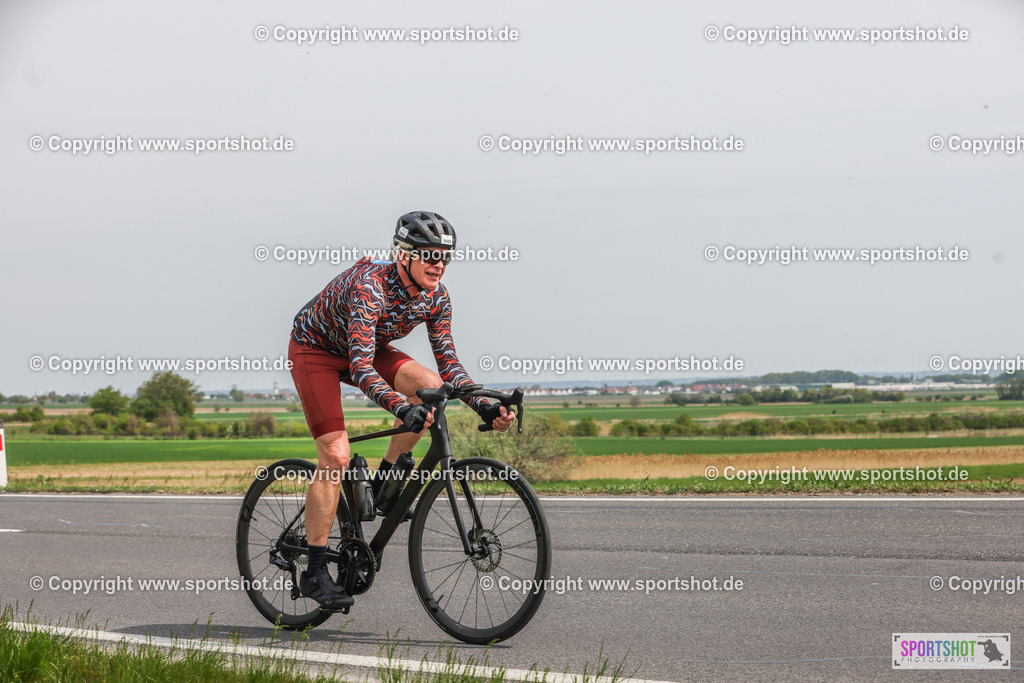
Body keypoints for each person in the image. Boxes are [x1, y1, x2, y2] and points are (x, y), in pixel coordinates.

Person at [287, 211, 515, 610]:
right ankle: (315, 570)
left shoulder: (437, 297)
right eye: (428, 255)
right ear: (404, 254)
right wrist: (399, 407)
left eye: (445, 256)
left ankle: (385, 486)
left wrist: (484, 405)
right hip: (316, 351)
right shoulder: (372, 287)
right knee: (336, 455)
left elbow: (448, 367)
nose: (438, 264)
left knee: (430, 390)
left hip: (368, 350)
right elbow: (359, 366)